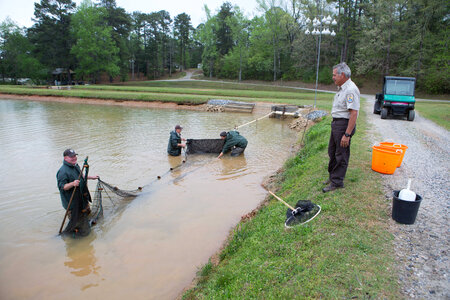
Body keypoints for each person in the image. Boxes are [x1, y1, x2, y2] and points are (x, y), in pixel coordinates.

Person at [323, 62, 360, 193]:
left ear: (342, 75)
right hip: (336, 124)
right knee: (332, 151)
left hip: (343, 125)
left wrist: (347, 134)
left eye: (334, 75)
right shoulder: (342, 88)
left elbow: (353, 113)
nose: (333, 77)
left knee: (341, 154)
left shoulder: (350, 90)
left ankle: (337, 182)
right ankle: (332, 176)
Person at [56, 149, 98, 214]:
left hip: (83, 200)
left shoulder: (75, 165)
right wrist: (73, 183)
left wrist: (92, 177)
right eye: (71, 157)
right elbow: (63, 187)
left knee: (89, 216)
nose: (74, 158)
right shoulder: (62, 172)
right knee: (78, 223)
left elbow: (81, 176)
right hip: (73, 205)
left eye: (75, 156)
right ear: (65, 158)